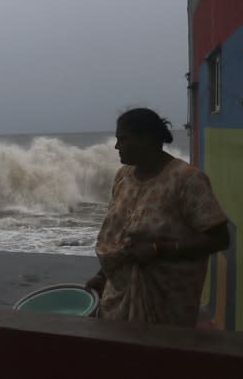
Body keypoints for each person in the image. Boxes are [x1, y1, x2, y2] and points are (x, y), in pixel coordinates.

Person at [85, 108, 229, 326]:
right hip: (118, 296)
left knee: (161, 357)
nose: (116, 146)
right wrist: (102, 276)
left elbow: (220, 239)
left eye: (123, 139)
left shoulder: (187, 180)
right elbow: (120, 238)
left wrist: (158, 250)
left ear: (148, 139)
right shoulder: (123, 177)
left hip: (167, 302)